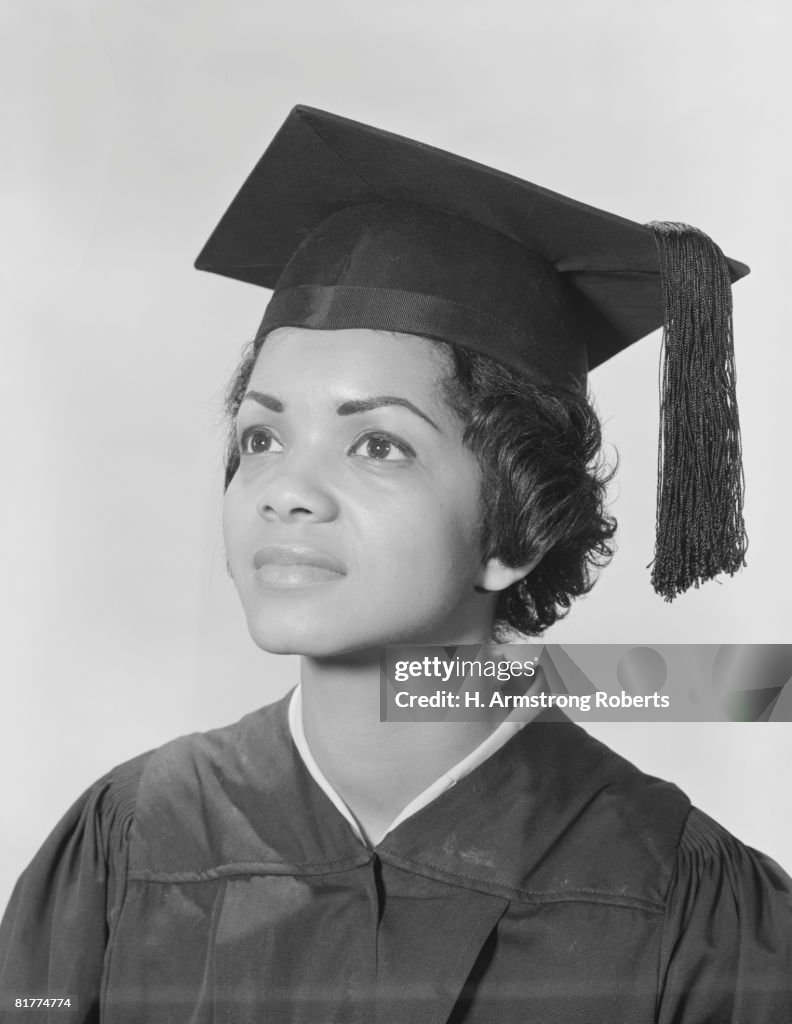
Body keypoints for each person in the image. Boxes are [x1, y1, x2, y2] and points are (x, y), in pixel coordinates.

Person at [1, 106, 790, 1023]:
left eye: (379, 445)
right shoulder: (127, 845)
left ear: (518, 530)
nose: (285, 489)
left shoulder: (688, 905)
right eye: (260, 435)